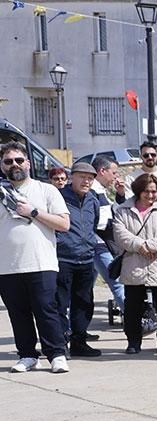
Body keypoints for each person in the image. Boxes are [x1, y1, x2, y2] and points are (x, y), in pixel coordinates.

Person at [0, 142, 71, 373]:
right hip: (7, 266)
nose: (14, 165)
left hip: (41, 262)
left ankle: (57, 354)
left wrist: (33, 212)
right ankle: (28, 355)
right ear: (2, 166)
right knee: (18, 313)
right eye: (8, 161)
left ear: (28, 163)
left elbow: (63, 224)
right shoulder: (1, 193)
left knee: (46, 309)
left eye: (19, 160)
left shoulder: (45, 190)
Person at [112, 173, 157, 354]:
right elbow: (120, 234)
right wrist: (140, 246)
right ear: (139, 191)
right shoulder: (123, 210)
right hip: (134, 265)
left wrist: (151, 246)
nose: (151, 195)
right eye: (147, 191)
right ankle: (133, 341)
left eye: (154, 191)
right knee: (132, 307)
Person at [57, 161, 102, 357]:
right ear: (71, 177)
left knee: (84, 303)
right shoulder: (59, 197)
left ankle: (79, 341)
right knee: (59, 303)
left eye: (90, 178)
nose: (86, 181)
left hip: (86, 259)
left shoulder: (93, 200)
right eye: (82, 177)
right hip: (63, 258)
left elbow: (93, 226)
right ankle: (60, 344)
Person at [91, 156, 127, 316]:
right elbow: (99, 221)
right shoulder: (92, 190)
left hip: (101, 242)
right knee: (117, 282)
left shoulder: (100, 190)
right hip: (98, 244)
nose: (115, 177)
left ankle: (76, 330)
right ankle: (137, 322)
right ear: (102, 171)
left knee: (84, 288)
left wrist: (120, 194)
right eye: (113, 173)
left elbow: (114, 211)